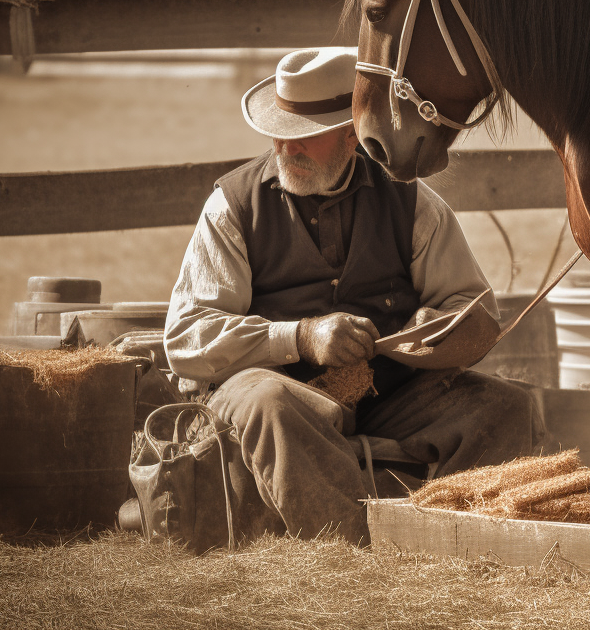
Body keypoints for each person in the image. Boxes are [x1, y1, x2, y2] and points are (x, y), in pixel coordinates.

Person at [164, 46, 542, 544]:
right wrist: (300, 337)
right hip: (273, 392)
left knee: (506, 407)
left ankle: (464, 548)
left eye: (303, 138)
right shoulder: (233, 207)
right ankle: (353, 556)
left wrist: (435, 330)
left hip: (387, 394)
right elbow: (187, 338)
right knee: (270, 401)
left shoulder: (412, 203)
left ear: (349, 132)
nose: (285, 148)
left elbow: (473, 310)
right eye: (279, 133)